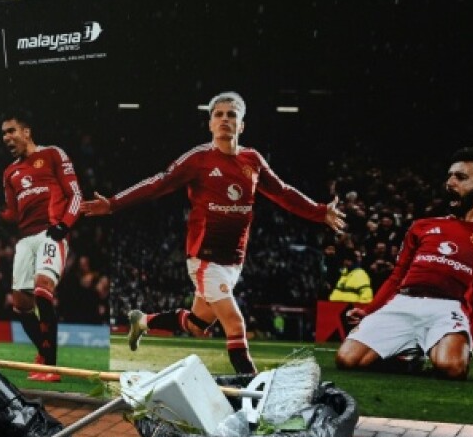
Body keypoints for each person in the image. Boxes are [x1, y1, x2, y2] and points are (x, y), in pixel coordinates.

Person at [80, 91, 344, 374]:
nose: (225, 120)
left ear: (241, 125)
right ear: (210, 124)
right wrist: (114, 204)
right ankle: (251, 397)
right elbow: (159, 183)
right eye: (218, 114)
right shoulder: (199, 159)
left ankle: (142, 321)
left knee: (197, 324)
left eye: (232, 115)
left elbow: (282, 192)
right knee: (236, 324)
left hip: (234, 261)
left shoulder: (252, 160)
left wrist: (319, 211)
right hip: (205, 258)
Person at [335, 147, 473, 379]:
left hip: (448, 309)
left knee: (451, 368)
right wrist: (369, 311)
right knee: (347, 359)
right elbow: (397, 277)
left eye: (461, 177)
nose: (450, 182)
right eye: (450, 176)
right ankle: (406, 358)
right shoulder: (421, 226)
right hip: (403, 303)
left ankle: (425, 350)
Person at [0, 112, 82, 382]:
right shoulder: (10, 172)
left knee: (43, 288)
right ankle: (43, 357)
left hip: (51, 231)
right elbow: (13, 213)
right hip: (25, 239)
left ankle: (51, 366)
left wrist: (65, 225)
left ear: (26, 132)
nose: (7, 137)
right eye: (3, 134)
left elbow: (75, 195)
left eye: (11, 131)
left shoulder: (53, 154)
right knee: (21, 304)